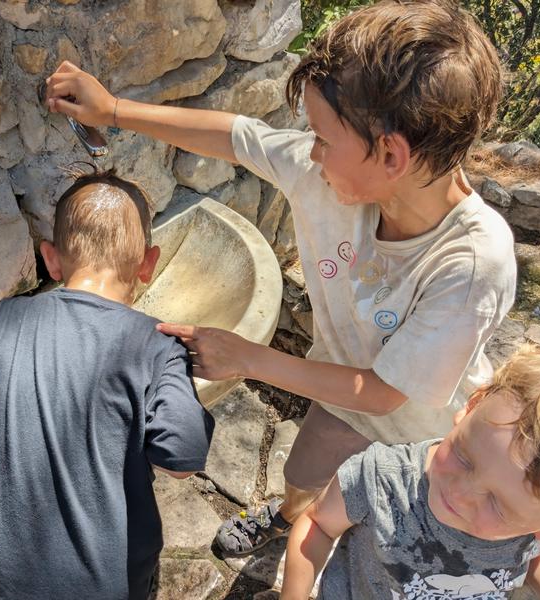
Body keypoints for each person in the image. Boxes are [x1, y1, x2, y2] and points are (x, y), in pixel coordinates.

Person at [43, 0, 514, 556]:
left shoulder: (473, 262)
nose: (309, 152)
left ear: (391, 154)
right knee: (303, 475)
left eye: (321, 136)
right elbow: (239, 137)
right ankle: (288, 515)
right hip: (339, 394)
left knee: (379, 546)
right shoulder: (333, 176)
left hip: (425, 438)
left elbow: (387, 392)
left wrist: (248, 358)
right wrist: (114, 110)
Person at [0, 173, 215, 600]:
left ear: (52, 260)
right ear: (148, 264)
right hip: (110, 585)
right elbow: (181, 459)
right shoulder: (158, 344)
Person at [281, 345, 540, 599]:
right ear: (473, 405)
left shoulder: (536, 525)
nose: (460, 492)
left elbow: (535, 551)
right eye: (464, 457)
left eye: (498, 505)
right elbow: (318, 524)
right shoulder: (381, 479)